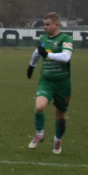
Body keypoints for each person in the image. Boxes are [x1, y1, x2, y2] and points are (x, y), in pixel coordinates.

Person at [26, 12, 73, 154]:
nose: (44, 27)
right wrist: (31, 66)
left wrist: (47, 55)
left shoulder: (65, 38)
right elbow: (37, 52)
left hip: (62, 84)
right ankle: (40, 134)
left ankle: (57, 139)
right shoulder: (44, 38)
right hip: (46, 80)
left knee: (61, 116)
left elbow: (66, 57)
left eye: (47, 24)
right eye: (44, 24)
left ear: (56, 25)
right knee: (39, 107)